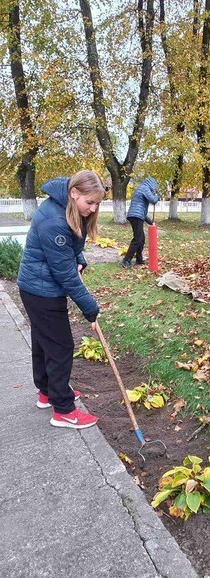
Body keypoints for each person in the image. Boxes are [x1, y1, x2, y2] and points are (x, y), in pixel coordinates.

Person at [17, 170, 105, 429]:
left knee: (44, 342)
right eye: (90, 202)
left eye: (97, 203)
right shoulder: (54, 220)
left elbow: (71, 249)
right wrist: (89, 307)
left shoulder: (63, 205)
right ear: (74, 193)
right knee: (60, 346)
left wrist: (80, 259)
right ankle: (64, 410)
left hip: (37, 286)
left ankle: (47, 392)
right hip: (42, 290)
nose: (93, 208)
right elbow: (65, 275)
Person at [121, 177, 160, 268]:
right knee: (137, 239)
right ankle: (126, 260)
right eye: (153, 188)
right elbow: (153, 200)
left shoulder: (141, 188)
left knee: (141, 239)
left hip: (135, 216)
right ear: (151, 185)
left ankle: (139, 259)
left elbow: (142, 213)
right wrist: (157, 195)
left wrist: (151, 222)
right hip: (136, 217)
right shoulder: (144, 188)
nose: (153, 190)